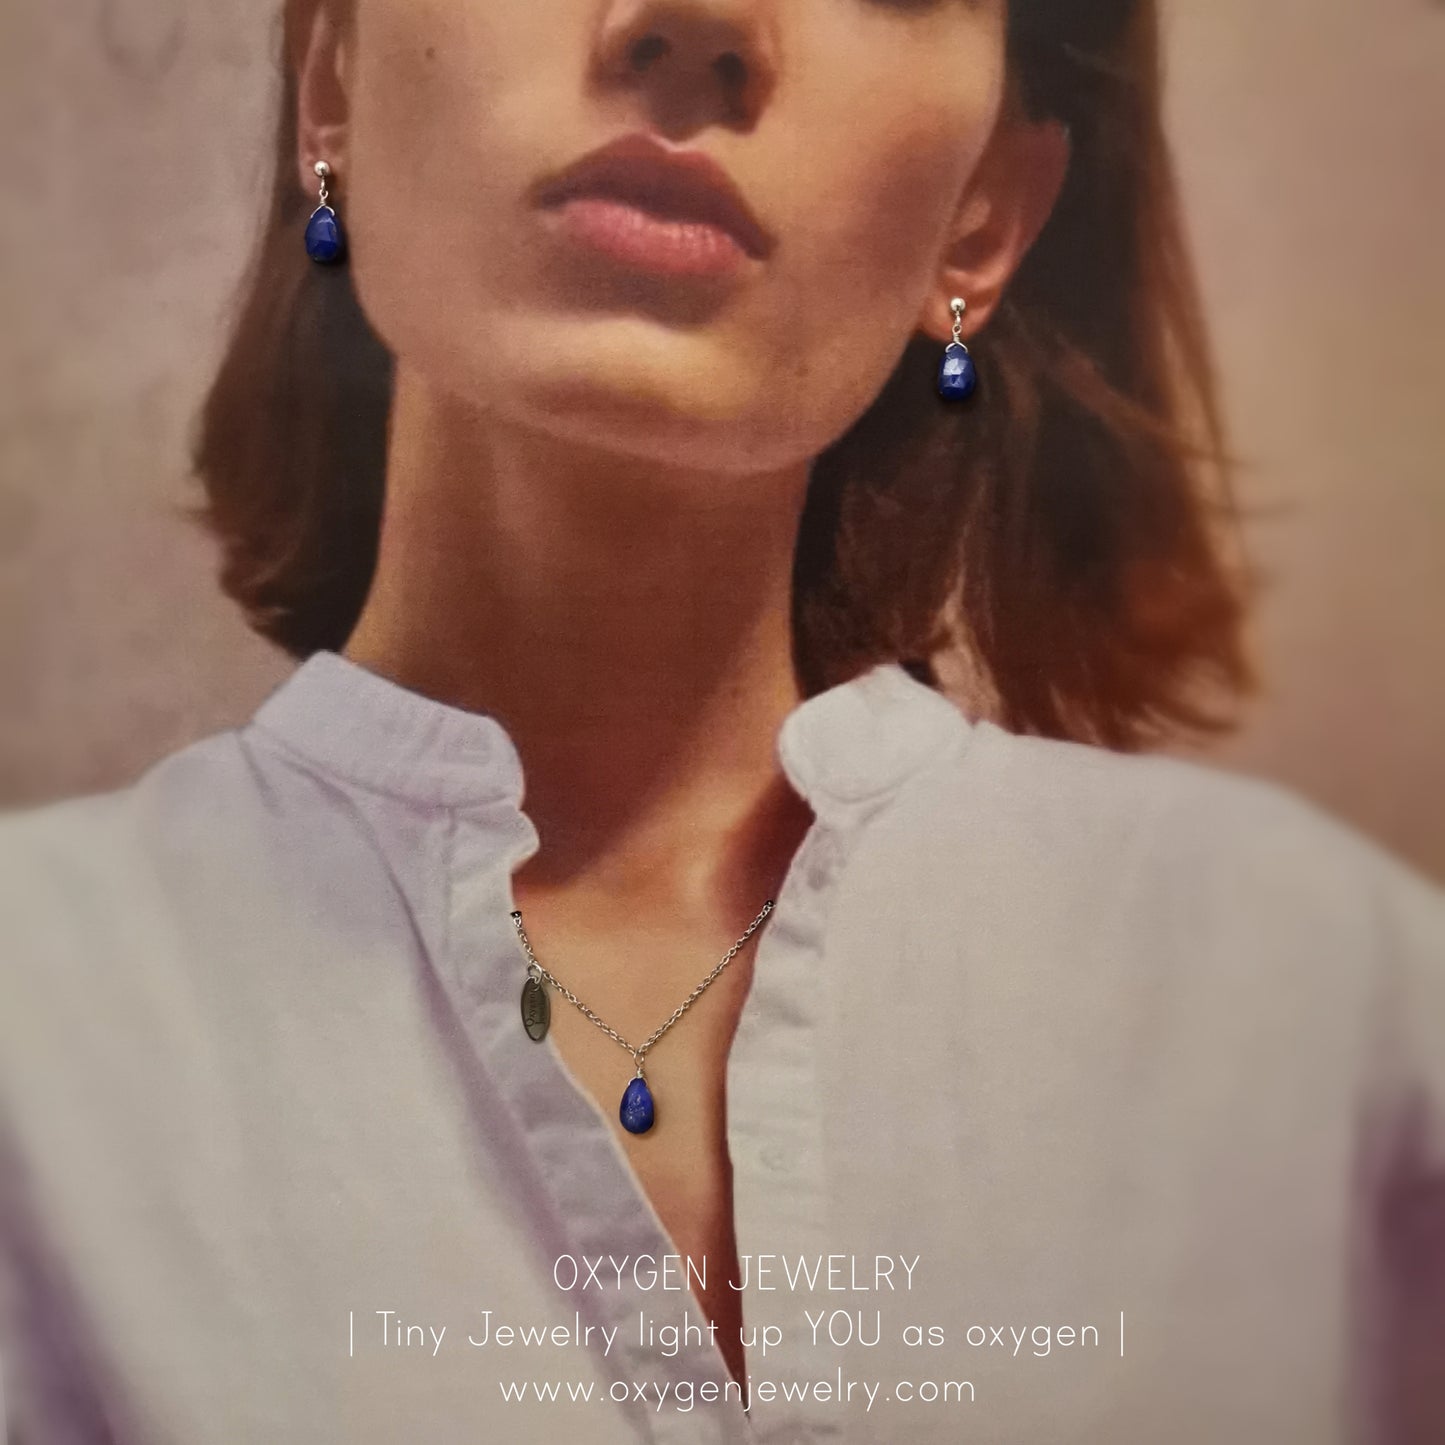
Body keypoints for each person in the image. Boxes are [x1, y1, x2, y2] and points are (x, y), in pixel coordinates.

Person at [1, 0, 1441, 1440]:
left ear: (984, 220)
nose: (697, 20)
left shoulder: (1325, 1014)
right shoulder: (41, 1039)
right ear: (332, 77)